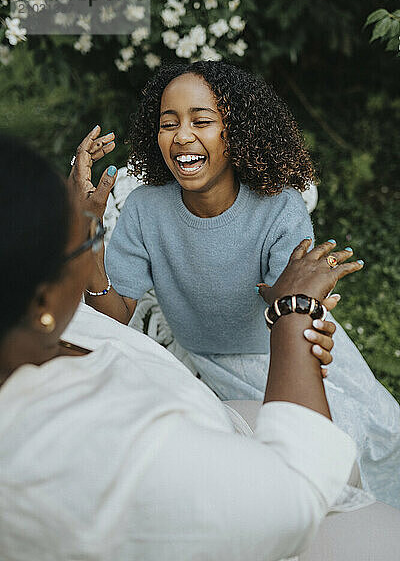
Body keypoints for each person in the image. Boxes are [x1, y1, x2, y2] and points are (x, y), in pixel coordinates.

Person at [1, 133, 399, 560]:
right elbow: (292, 498)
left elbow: (99, 320)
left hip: (227, 423)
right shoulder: (107, 449)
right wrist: (294, 310)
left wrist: (82, 229)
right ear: (43, 300)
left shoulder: (23, 330)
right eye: (80, 244)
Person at [76, 61, 400, 510]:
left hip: (288, 344)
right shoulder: (145, 210)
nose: (182, 135)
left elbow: (286, 298)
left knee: (365, 439)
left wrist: (296, 299)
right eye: (168, 124)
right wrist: (87, 238)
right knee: (269, 472)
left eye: (201, 121)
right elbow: (113, 316)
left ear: (236, 132)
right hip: (211, 362)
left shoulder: (278, 206)